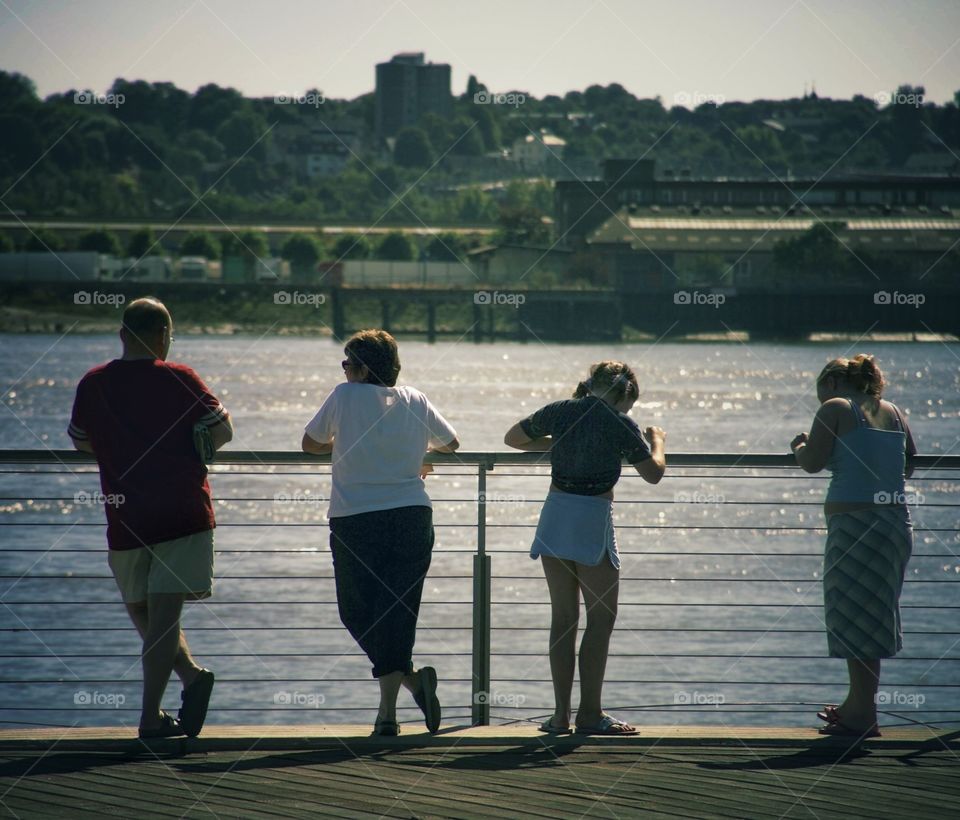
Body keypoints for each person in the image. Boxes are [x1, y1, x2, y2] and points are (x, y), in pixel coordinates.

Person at [69, 297, 233, 739]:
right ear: (163, 336)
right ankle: (177, 693)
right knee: (161, 617)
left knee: (146, 613)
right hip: (182, 512)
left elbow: (81, 441)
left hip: (124, 516)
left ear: (122, 335)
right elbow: (222, 429)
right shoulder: (180, 378)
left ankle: (163, 706)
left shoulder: (94, 383)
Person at [302, 329, 459, 736]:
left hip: (355, 517)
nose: (344, 370)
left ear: (363, 367)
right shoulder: (416, 398)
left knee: (355, 611)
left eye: (348, 363)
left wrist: (343, 441)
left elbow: (310, 444)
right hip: (411, 515)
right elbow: (452, 443)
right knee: (397, 613)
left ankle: (388, 714)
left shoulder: (344, 396)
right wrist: (420, 454)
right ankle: (409, 680)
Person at [504, 361, 666, 735]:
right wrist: (658, 440)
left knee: (563, 620)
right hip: (591, 518)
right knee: (601, 618)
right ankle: (590, 714)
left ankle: (560, 716)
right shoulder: (619, 423)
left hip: (555, 516)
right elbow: (654, 473)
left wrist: (562, 442)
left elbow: (513, 438)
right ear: (624, 394)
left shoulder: (560, 411)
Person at [791, 354, 916, 739]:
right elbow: (908, 465)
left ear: (829, 384)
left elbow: (812, 462)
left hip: (853, 526)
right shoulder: (894, 411)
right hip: (895, 523)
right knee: (873, 614)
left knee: (851, 614)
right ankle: (859, 705)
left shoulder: (835, 407)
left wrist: (800, 445)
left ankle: (862, 713)